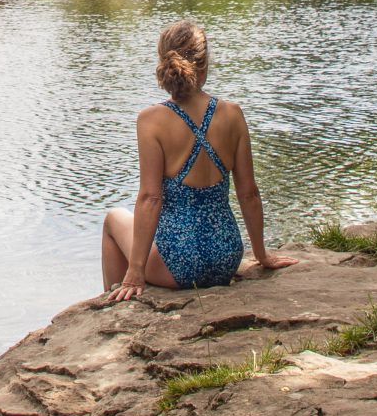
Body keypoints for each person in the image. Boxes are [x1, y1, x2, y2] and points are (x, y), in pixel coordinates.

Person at [101, 19, 296, 300]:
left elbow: (150, 199)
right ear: (204, 64)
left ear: (164, 62)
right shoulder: (232, 114)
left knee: (113, 219)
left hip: (179, 265)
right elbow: (249, 193)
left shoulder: (151, 120)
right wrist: (262, 254)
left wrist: (136, 268)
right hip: (226, 259)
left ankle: (117, 299)